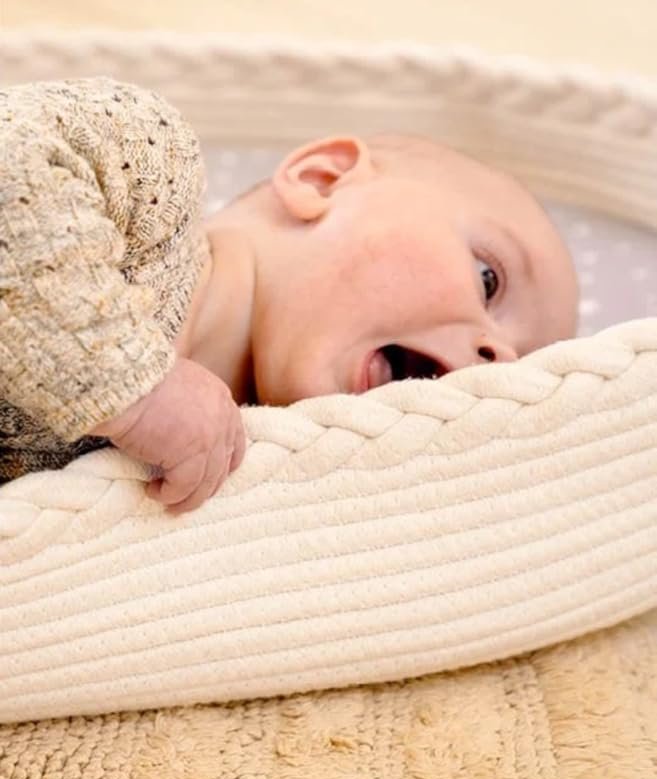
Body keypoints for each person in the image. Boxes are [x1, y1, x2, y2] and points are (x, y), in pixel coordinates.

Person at [0, 78, 578, 513]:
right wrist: (136, 389)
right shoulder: (151, 175)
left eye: (517, 367)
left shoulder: (220, 485)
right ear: (321, 179)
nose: (501, 356)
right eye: (488, 280)